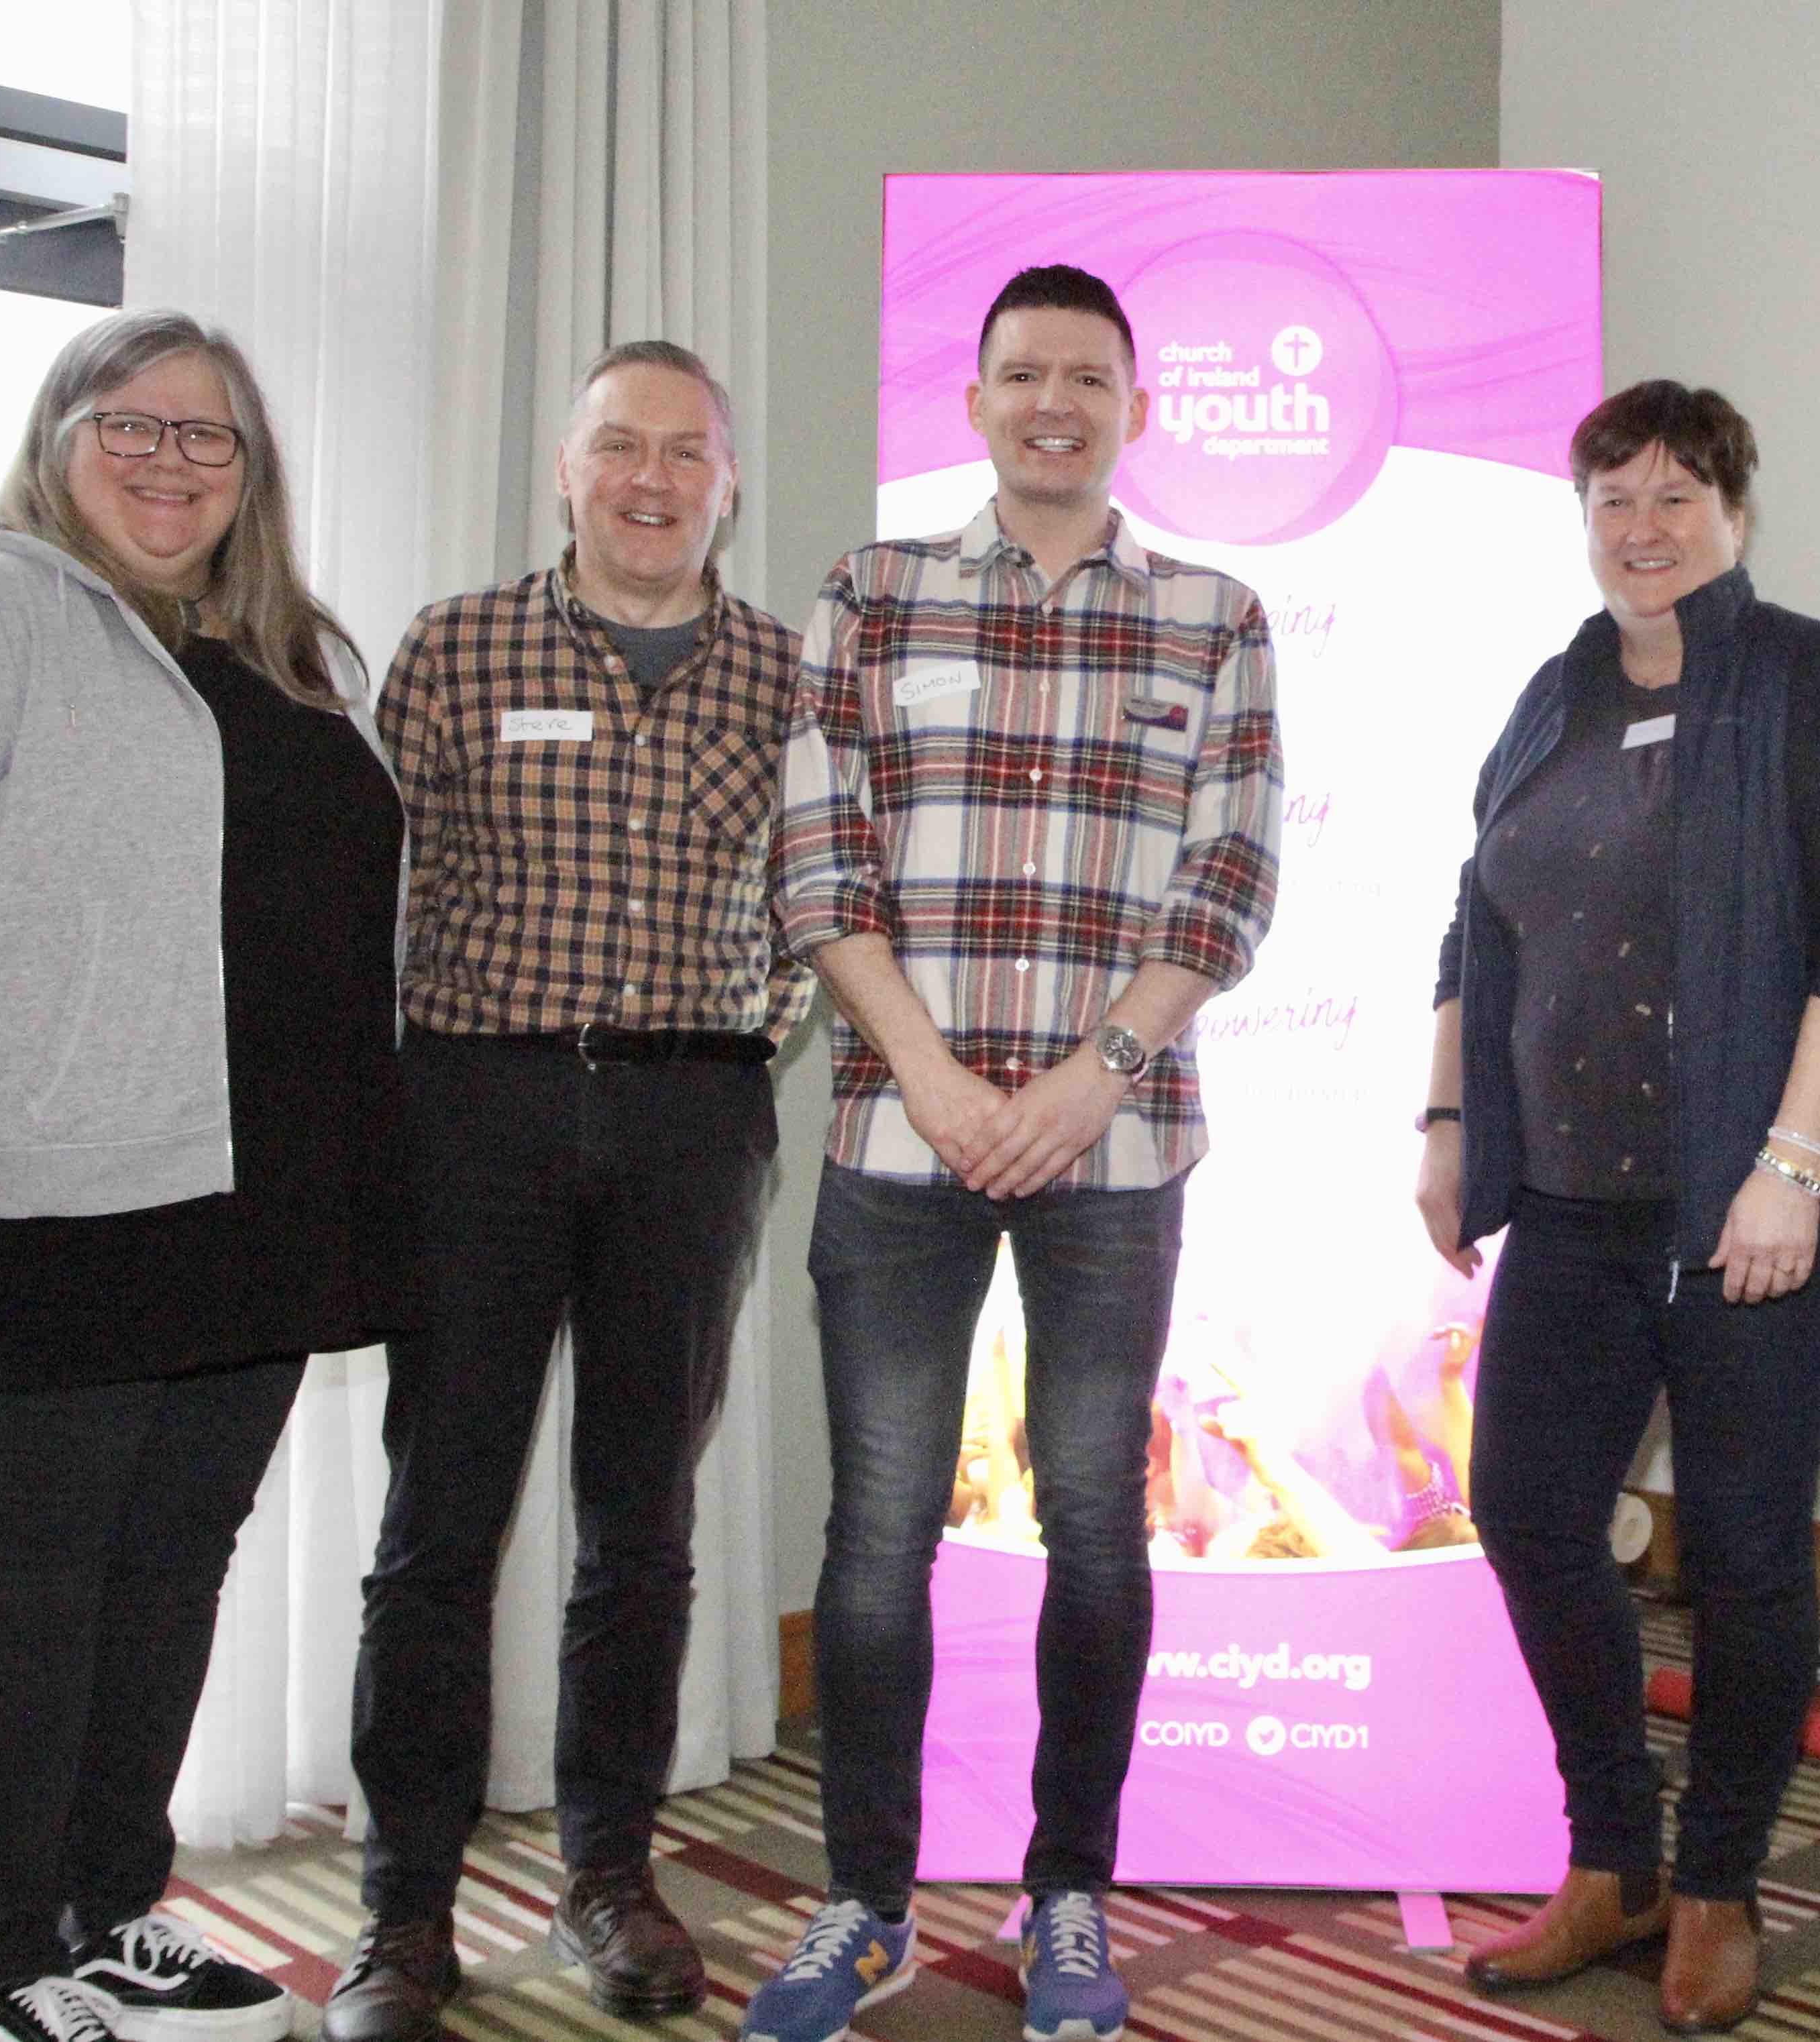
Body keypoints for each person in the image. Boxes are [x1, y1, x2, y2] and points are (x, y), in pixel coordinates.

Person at [0, 309, 409, 2042]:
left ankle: (107, 1918)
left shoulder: (284, 653)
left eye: (207, 435)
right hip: (24, 1215)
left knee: (164, 1577)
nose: (168, 458)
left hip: (245, 1209)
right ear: (59, 439)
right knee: (22, 1591)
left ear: (250, 471)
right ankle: (0, 1978)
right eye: (129, 424)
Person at [745, 262, 1281, 2042]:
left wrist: (1085, 1078)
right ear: (970, 403)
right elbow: (822, 860)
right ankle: (868, 1902)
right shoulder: (868, 592)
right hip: (895, 1133)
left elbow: (1229, 879)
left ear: (1136, 406)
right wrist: (939, 1079)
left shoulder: (1213, 613)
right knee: (879, 1531)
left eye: (1087, 376)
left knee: (1095, 1530)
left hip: (1114, 1153)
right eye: (1020, 374)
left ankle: (1068, 1893)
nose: (1053, 400)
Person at [1422, 379, 1820, 2036]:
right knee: (1528, 1509)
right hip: (1571, 1200)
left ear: (1734, 507)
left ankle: (1718, 1881)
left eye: (1672, 497)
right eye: (1612, 500)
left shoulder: (1808, 683)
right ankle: (1613, 1856)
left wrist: (1791, 1165)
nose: (1640, 531)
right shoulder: (1551, 699)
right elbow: (1474, 924)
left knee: (1742, 1550)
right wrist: (1449, 1122)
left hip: (1750, 1202)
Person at [328, 341, 808, 2042]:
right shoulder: (456, 646)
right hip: (478, 1112)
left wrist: (752, 1041)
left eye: (688, 452)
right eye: (621, 447)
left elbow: (822, 902)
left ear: (727, 483)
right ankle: (403, 1913)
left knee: (642, 1530)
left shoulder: (784, 673)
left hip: (692, 1122)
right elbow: (376, 894)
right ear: (567, 467)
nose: (653, 479)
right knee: (436, 1528)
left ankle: (612, 1874)